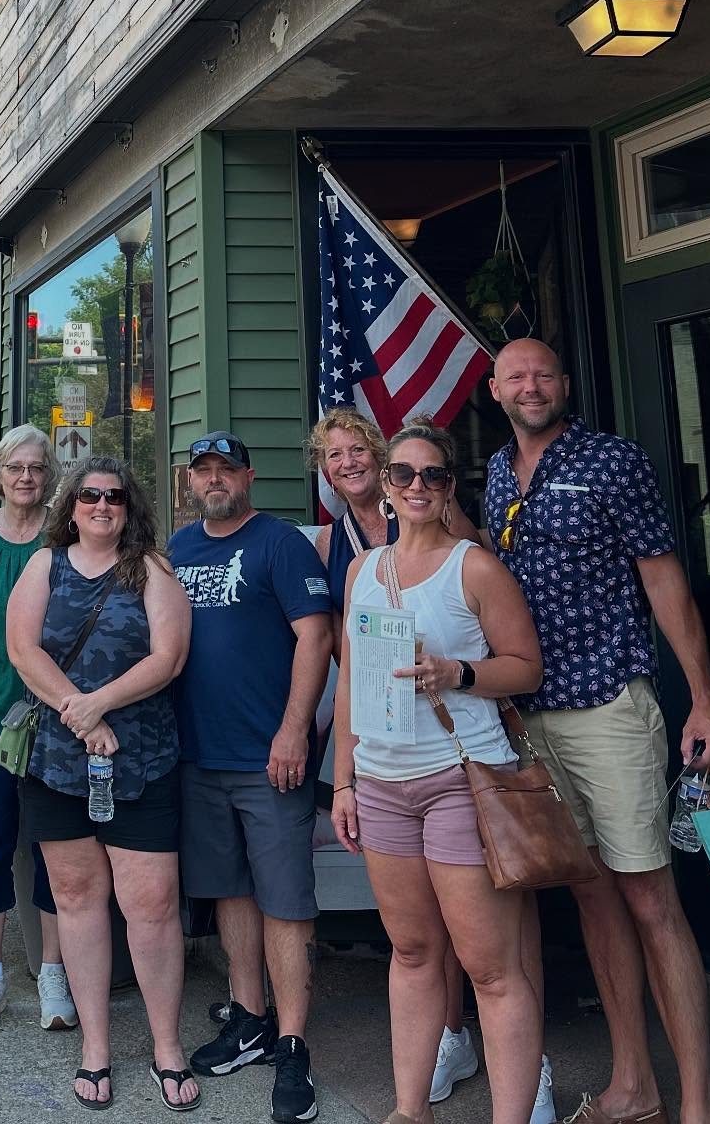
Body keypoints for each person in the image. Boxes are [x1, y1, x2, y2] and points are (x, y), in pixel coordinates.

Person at [486, 339, 710, 1124]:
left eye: (544, 374)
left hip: (609, 707)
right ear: (495, 391)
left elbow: (664, 577)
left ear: (565, 383)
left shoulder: (612, 461)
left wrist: (704, 697)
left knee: (651, 899)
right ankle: (635, 1085)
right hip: (533, 718)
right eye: (516, 376)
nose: (531, 386)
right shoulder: (496, 473)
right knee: (592, 896)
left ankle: (697, 1103)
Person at [331, 420, 547, 1124]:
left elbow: (525, 666)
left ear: (450, 488)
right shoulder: (364, 571)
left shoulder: (473, 566)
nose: (417, 486)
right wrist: (344, 782)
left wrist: (457, 672)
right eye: (403, 474)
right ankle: (408, 1111)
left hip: (463, 777)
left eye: (433, 475)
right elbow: (350, 684)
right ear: (385, 487)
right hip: (384, 783)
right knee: (415, 951)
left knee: (490, 967)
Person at [6, 455, 198, 1115]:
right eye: (88, 495)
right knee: (77, 898)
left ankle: (167, 1046)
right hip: (58, 764)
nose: (101, 505)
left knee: (151, 905)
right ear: (71, 505)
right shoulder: (44, 566)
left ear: (129, 506)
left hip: (140, 758)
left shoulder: (152, 569)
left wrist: (99, 705)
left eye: (114, 496)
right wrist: (78, 714)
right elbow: (23, 650)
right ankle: (95, 1046)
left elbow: (168, 658)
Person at [309, 408, 483, 1105]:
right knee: (416, 930)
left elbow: (481, 611)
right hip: (387, 750)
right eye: (333, 456)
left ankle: (510, 1058)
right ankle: (447, 1036)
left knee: (483, 923)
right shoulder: (339, 544)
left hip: (460, 740)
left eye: (356, 450)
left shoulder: (438, 517)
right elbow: (342, 648)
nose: (346, 462)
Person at [170, 433, 334, 1124]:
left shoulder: (280, 544)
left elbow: (316, 637)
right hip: (197, 757)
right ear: (190, 480)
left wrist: (295, 729)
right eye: (204, 471)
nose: (216, 481)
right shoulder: (176, 549)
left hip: (270, 757)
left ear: (249, 476)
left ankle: (292, 1041)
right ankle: (249, 1017)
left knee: (285, 899)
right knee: (229, 892)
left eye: (227, 470)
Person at [0, 425, 76, 1033]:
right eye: (15, 467)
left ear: (48, 476)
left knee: (52, 847)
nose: (26, 477)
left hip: (53, 719)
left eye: (36, 467)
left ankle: (52, 970)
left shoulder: (65, 538)